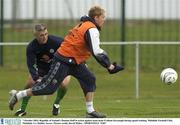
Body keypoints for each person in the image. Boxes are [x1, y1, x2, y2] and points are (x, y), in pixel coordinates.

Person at [9, 5, 124, 118]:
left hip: (75, 61)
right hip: (63, 60)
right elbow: (96, 51)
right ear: (96, 17)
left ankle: (90, 111)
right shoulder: (91, 29)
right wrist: (109, 66)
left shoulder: (83, 24)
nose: (104, 20)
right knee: (48, 89)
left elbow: (76, 44)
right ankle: (19, 95)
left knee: (89, 79)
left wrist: (89, 62)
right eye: (103, 17)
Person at [14, 24, 71, 116]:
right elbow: (31, 65)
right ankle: (22, 109)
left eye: (46, 34)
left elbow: (70, 49)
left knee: (64, 84)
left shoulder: (57, 41)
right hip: (42, 68)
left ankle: (56, 104)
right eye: (41, 35)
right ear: (35, 36)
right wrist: (36, 78)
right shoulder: (31, 47)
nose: (44, 37)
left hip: (60, 66)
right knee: (30, 83)